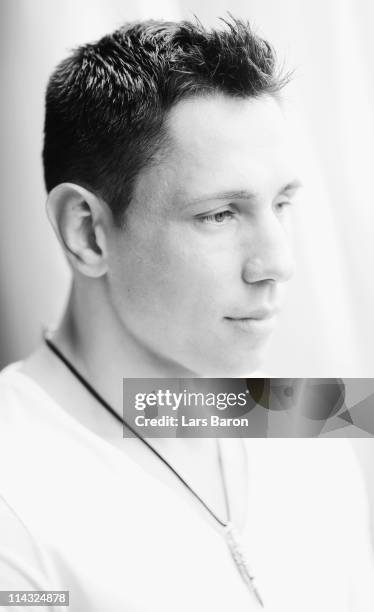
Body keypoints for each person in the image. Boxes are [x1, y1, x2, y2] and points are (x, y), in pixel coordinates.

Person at [0, 17, 373, 611]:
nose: (277, 263)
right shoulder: (12, 485)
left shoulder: (313, 418)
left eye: (282, 203)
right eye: (220, 213)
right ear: (87, 232)